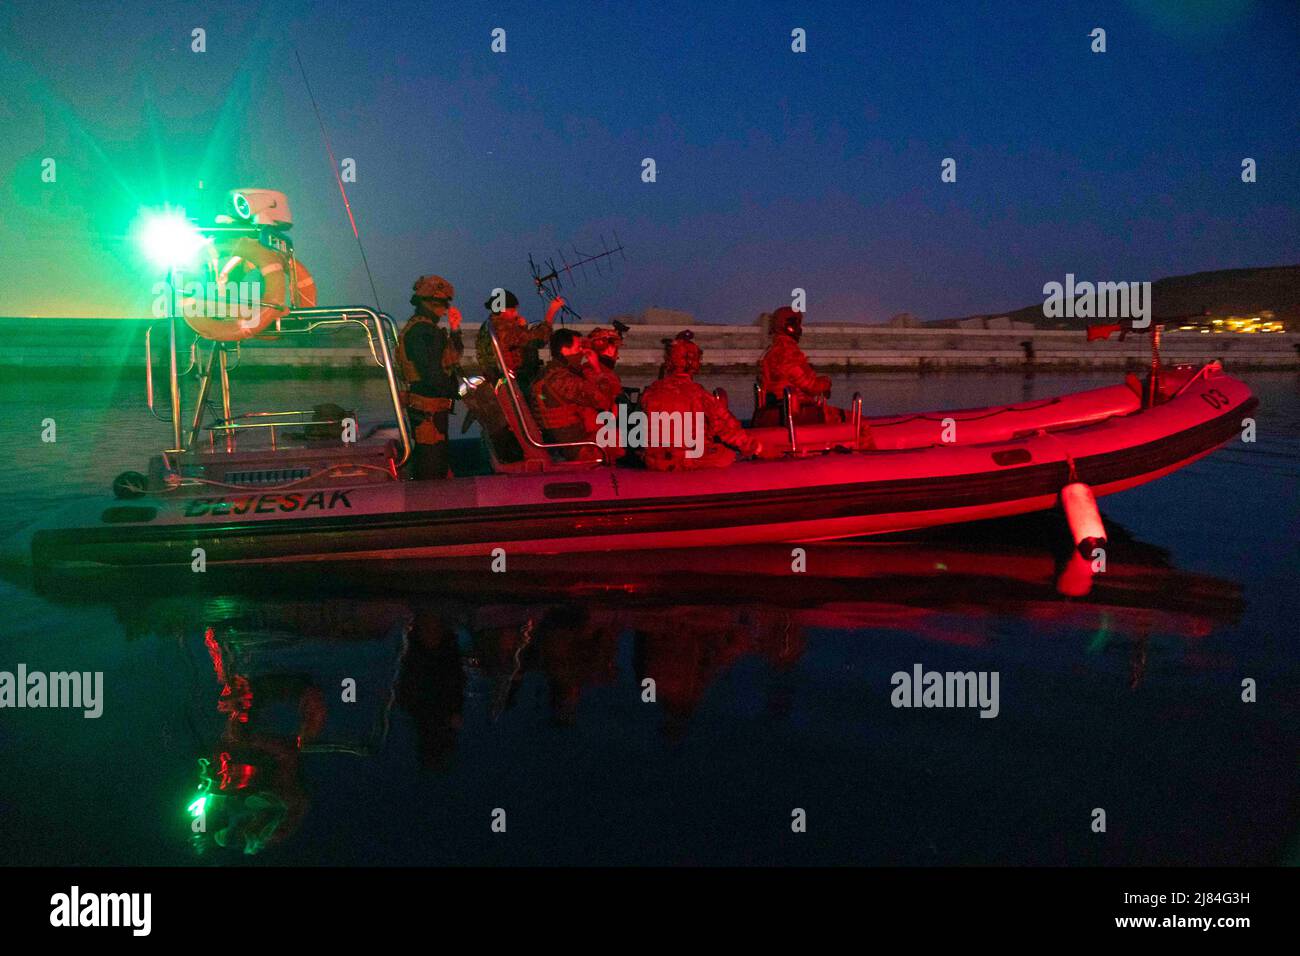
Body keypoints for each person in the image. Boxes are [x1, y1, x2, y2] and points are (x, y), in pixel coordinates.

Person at [640, 334, 762, 470]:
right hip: (688, 460)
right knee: (726, 454)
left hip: (656, 461)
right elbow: (726, 427)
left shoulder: (651, 391)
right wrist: (754, 447)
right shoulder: (699, 394)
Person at [395, 274, 463, 479]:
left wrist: (455, 329)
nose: (445, 310)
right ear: (432, 303)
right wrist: (459, 393)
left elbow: (448, 359)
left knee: (434, 456)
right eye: (443, 304)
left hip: (428, 406)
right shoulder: (424, 332)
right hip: (429, 407)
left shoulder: (423, 328)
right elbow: (432, 373)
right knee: (432, 461)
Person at [530, 328, 615, 460]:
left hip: (559, 441)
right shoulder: (562, 378)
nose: (582, 352)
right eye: (578, 347)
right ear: (565, 350)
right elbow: (603, 401)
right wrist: (597, 369)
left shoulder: (547, 373)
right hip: (575, 445)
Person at [757, 306, 844, 424]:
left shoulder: (770, 353)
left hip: (776, 411)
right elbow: (810, 385)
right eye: (797, 324)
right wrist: (826, 383)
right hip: (798, 412)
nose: (800, 329)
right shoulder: (788, 352)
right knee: (849, 418)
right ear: (789, 326)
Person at [475, 289, 565, 394]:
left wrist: (520, 327)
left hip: (500, 380)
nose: (516, 314)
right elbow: (537, 340)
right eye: (512, 310)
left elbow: (518, 341)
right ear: (502, 310)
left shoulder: (489, 325)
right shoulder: (502, 327)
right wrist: (551, 312)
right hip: (514, 383)